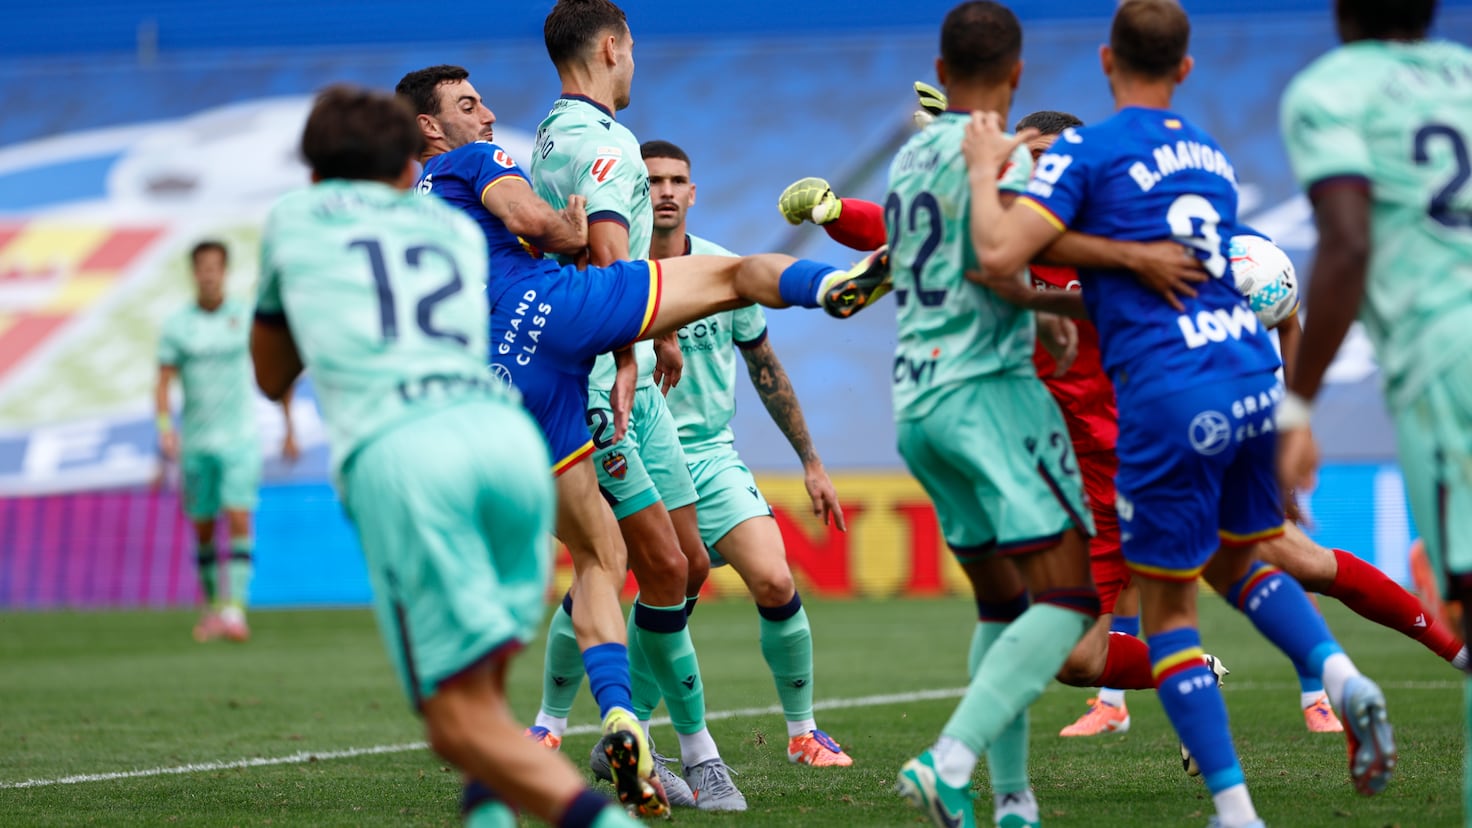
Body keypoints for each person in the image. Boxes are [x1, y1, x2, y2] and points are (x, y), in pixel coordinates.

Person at [787, 101, 1468, 743]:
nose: (1043, 176)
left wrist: (1288, 412)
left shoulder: (1135, 230)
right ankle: (1199, 678)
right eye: (1032, 162)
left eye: (1056, 160)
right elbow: (903, 226)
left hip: (1166, 449)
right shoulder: (1003, 236)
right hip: (1082, 484)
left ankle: (1446, 652)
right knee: (1076, 659)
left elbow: (1277, 294)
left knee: (1296, 562)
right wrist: (833, 209)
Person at [395, 54, 888, 816]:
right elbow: (534, 222)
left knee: (602, 557)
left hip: (495, 380)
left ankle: (620, 716)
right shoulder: (473, 159)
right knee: (728, 277)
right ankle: (834, 286)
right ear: (431, 127)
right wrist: (570, 231)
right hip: (553, 311)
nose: (488, 115)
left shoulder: (402, 211)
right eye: (469, 104)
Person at [964, 1, 1394, 823]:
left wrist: (983, 169)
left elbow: (999, 251)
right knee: (1245, 563)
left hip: (1159, 403)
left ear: (1105, 59)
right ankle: (1337, 674)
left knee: (1170, 611)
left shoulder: (1090, 153)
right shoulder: (1209, 157)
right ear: (1186, 67)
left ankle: (1237, 808)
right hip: (1238, 378)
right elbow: (1212, 279)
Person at [248, 83, 641, 828]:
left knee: (455, 719)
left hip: (408, 456)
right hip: (504, 446)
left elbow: (272, 377)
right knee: (483, 702)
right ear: (407, 166)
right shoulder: (456, 234)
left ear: (313, 171)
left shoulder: (295, 220)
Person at [527, 0, 742, 809]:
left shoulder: (549, 135)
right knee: (642, 563)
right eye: (633, 49)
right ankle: (693, 751)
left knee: (682, 565)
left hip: (636, 369)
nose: (634, 63)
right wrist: (626, 354)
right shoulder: (608, 140)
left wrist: (661, 338)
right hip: (604, 382)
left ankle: (621, 728)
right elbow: (614, 258)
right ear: (613, 46)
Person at [1278, 0, 1472, 819]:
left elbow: (1349, 243)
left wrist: (1298, 405)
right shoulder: (1465, 74)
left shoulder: (1332, 89)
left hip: (1447, 363)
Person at [645, 139, 854, 767]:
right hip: (640, 459)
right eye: (653, 180)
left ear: (693, 193)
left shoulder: (723, 268)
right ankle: (578, 724)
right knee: (634, 595)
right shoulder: (614, 265)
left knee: (774, 577)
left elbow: (766, 368)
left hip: (710, 456)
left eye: (678, 179)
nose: (666, 191)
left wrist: (811, 464)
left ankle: (802, 733)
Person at [156, 239, 297, 644]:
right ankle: (213, 606)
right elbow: (163, 381)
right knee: (202, 527)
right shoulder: (178, 325)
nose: (209, 274)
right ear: (194, 272)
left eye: (215, 267)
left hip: (239, 439)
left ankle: (235, 611)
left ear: (224, 271)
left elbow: (276, 368)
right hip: (196, 442)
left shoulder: (245, 317)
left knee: (238, 516)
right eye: (202, 267)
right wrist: (165, 427)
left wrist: (289, 425)